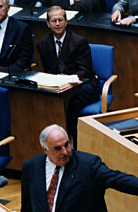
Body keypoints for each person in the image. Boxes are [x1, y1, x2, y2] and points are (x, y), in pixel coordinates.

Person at [37, 6, 100, 143]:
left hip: (84, 84)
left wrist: (67, 78)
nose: (58, 24)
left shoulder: (79, 41)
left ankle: (70, 138)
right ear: (48, 24)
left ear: (66, 21)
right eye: (54, 21)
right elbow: (48, 70)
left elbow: (85, 70)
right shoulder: (43, 44)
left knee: (71, 101)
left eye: (60, 20)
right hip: (59, 86)